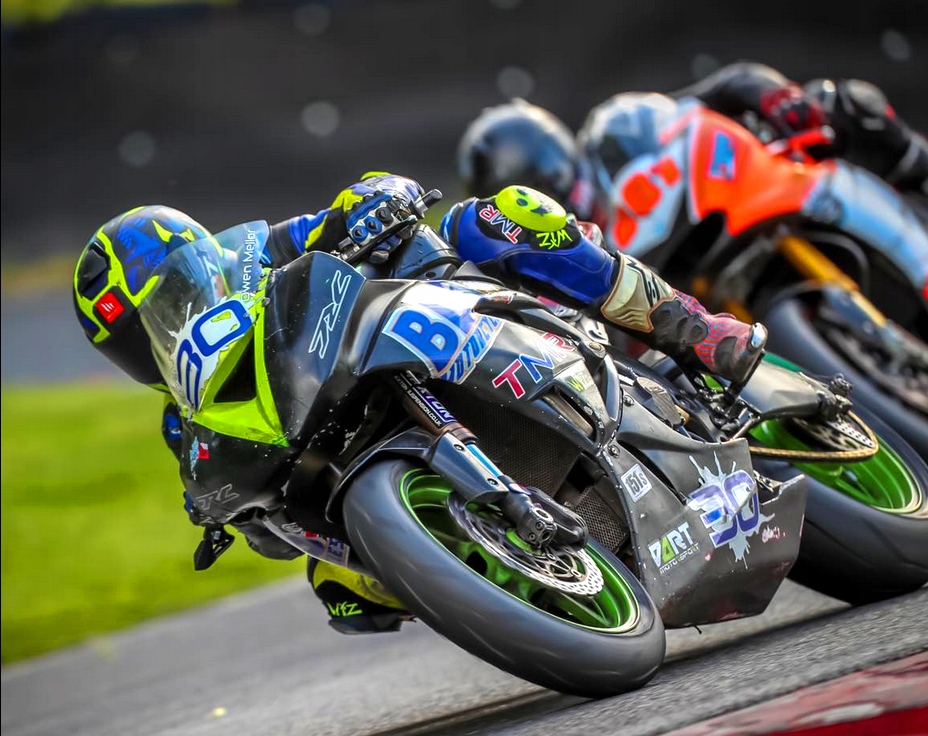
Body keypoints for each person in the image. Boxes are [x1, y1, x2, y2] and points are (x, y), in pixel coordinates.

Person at [72, 172, 766, 635]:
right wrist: (239, 516)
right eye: (140, 336)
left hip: (437, 317)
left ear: (198, 262)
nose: (167, 330)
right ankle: (507, 583)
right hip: (358, 442)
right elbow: (266, 533)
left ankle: (694, 330)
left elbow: (356, 202)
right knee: (338, 590)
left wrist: (375, 199)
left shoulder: (257, 252)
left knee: (497, 218)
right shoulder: (187, 422)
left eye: (171, 297)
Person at [457, 62, 928, 245]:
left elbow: (724, 85)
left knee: (843, 104)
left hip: (749, 193)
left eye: (540, 175)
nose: (543, 192)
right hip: (696, 307)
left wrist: (775, 99)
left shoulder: (615, 135)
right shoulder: (566, 263)